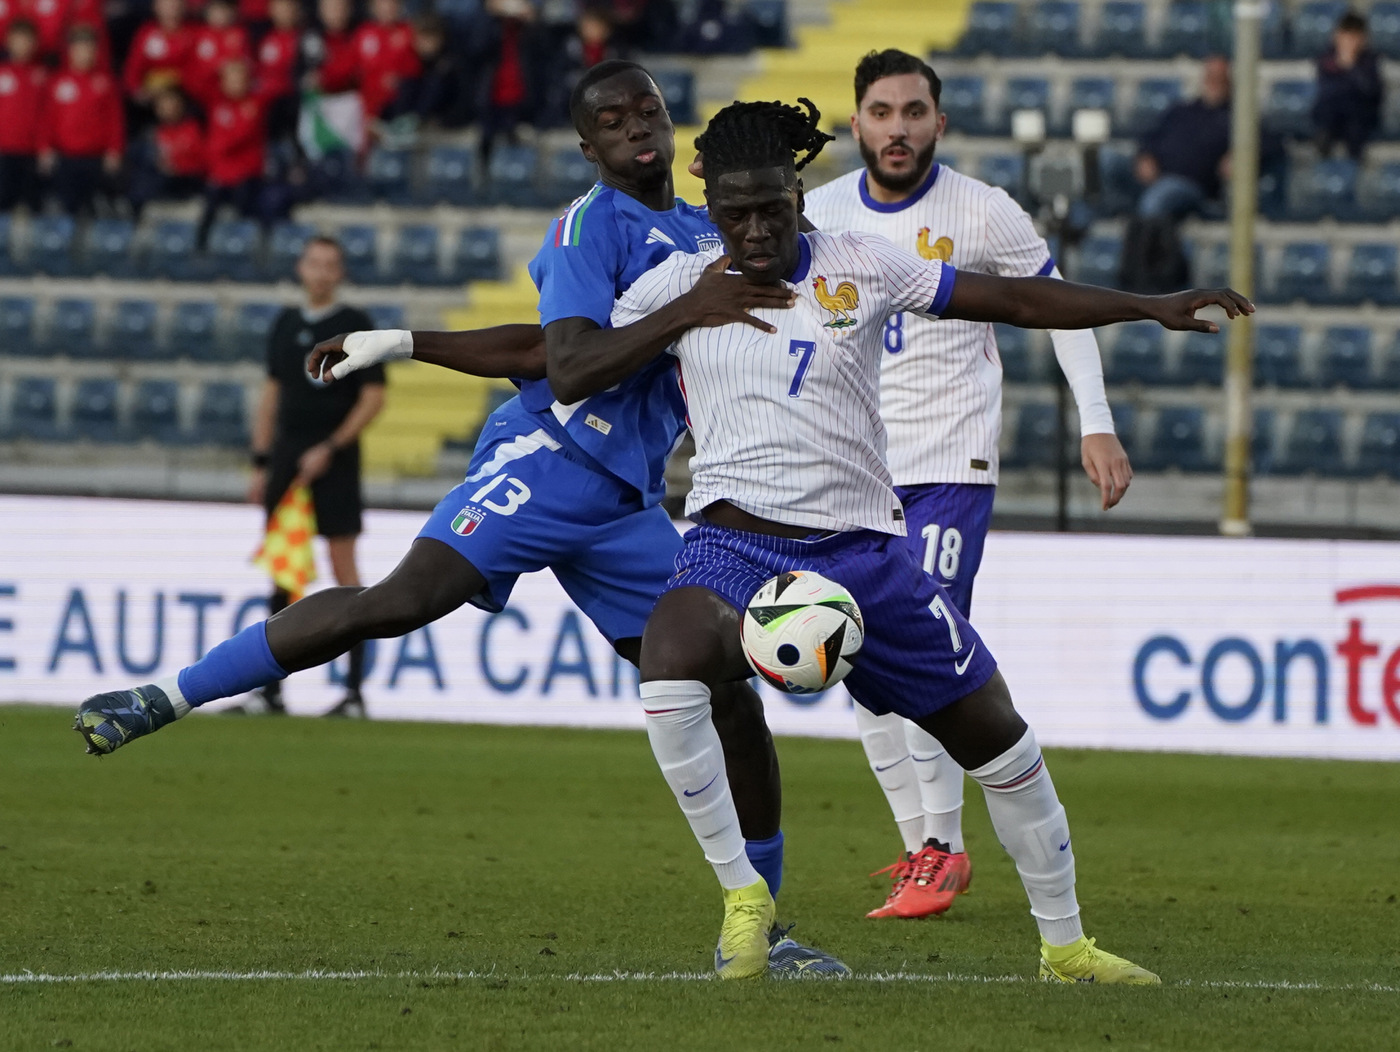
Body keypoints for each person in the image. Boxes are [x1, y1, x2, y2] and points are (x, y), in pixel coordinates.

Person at [73, 60, 843, 980]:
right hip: (550, 461)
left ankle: (760, 926)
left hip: (626, 502)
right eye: (611, 118)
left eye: (649, 110)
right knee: (397, 602)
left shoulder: (702, 229)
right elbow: (562, 365)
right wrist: (690, 306)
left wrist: (402, 341)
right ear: (586, 144)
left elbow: (536, 340)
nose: (637, 126)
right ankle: (167, 696)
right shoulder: (588, 227)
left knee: (725, 690)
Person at [604, 98, 1249, 982]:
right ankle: (745, 902)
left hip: (862, 556)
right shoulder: (673, 286)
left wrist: (1148, 305)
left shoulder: (863, 265)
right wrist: (410, 344)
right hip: (732, 544)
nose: (756, 230)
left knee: (1003, 742)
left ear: (799, 196)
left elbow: (1015, 296)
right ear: (709, 206)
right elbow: (557, 356)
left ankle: (1066, 946)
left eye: (773, 208)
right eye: (735, 213)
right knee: (670, 659)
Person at [802, 48, 1131, 921]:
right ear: (858, 122)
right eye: (882, 111)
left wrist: (1094, 419)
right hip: (852, 470)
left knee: (921, 648)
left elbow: (1058, 306)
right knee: (854, 656)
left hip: (951, 463)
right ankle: (920, 843)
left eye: (915, 111)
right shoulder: (822, 213)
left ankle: (943, 849)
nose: (898, 127)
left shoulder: (984, 210)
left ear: (938, 123)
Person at [241, 237, 386, 717]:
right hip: (287, 458)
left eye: (331, 264)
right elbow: (272, 393)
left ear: (340, 272)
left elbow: (372, 398)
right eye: (314, 263)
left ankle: (353, 693)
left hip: (336, 460)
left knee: (345, 572)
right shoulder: (286, 323)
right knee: (284, 571)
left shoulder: (355, 324)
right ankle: (270, 690)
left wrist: (331, 447)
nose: (321, 272)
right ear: (301, 268)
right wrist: (262, 460)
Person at [1133, 55, 1231, 221]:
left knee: (1158, 198)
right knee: (1106, 161)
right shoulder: (1180, 110)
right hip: (1155, 177)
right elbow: (1150, 137)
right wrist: (1145, 156)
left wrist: (1240, 156)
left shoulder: (1236, 117)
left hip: (1192, 187)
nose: (1214, 82)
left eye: (1219, 78)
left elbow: (1270, 142)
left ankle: (1143, 243)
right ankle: (1082, 232)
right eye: (1210, 76)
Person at [39, 25, 123, 217]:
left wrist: (114, 149)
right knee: (66, 208)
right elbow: (47, 118)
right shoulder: (58, 81)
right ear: (71, 51)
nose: (85, 54)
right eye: (80, 49)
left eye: (89, 49)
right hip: (65, 156)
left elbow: (114, 120)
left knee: (95, 209)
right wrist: (45, 147)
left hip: (96, 157)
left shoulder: (105, 82)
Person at [197, 58, 269, 248]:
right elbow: (197, 84)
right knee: (208, 208)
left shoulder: (254, 104)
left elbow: (241, 134)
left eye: (239, 80)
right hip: (220, 172)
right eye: (230, 80)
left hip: (245, 172)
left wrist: (214, 146)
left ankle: (248, 248)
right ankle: (200, 249)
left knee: (245, 207)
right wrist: (217, 68)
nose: (235, 85)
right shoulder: (216, 102)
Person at [1313, 10, 1383, 161]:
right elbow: (1325, 90)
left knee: (1355, 122)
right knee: (1327, 111)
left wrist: (1352, 68)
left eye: (1354, 37)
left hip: (1360, 114)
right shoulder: (1326, 59)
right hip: (1333, 113)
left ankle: (1354, 164)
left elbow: (1371, 91)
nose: (1349, 42)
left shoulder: (1369, 61)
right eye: (1346, 36)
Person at [128, 87, 205, 216]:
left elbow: (202, 161)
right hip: (160, 183)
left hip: (187, 181)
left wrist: (178, 166)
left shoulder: (193, 129)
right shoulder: (152, 133)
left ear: (181, 105)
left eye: (171, 104)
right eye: (162, 105)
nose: (167, 109)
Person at [0, 19, 46, 214]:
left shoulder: (42, 76)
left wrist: (44, 147)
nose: (22, 45)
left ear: (35, 43)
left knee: (31, 207)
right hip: (3, 150)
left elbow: (47, 116)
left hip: (31, 152)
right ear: (8, 41)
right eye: (18, 40)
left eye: (27, 40)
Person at [123, 0, 194, 109]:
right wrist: (136, 89)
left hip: (183, 95)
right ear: (156, 7)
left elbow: (195, 67)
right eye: (166, 4)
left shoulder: (193, 33)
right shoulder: (146, 33)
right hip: (151, 97)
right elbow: (134, 65)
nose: (171, 9)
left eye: (175, 4)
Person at [185, 0, 250, 109]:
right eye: (215, 11)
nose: (219, 15)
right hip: (198, 91)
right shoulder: (197, 35)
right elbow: (191, 64)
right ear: (207, 13)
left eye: (223, 11)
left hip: (227, 93)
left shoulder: (238, 34)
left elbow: (241, 63)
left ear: (231, 13)